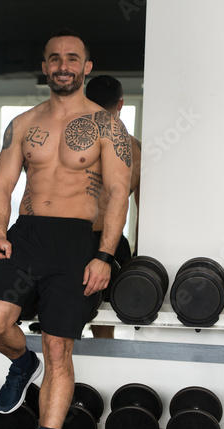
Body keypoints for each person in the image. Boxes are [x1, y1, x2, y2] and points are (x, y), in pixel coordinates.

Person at [0, 29, 132, 429]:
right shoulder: (23, 123)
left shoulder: (108, 127)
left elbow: (118, 191)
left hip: (76, 242)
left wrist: (104, 255)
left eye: (72, 58)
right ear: (45, 67)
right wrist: (0, 235)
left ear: (86, 67)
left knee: (59, 350)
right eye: (54, 59)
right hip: (27, 236)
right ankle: (20, 364)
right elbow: (2, 184)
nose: (63, 65)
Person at [86, 75, 141, 339]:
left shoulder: (71, 142)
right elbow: (145, 213)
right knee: (106, 322)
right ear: (120, 104)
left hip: (75, 236)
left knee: (58, 318)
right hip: (114, 243)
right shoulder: (136, 149)